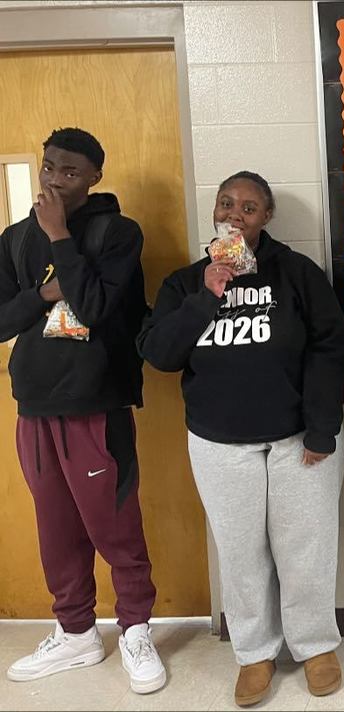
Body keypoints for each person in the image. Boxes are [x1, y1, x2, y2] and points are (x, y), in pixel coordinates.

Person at [137, 171, 344, 706]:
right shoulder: (185, 283)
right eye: (227, 204)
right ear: (215, 212)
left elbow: (330, 346)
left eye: (250, 207)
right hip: (218, 442)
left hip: (299, 439)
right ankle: (254, 653)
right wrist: (207, 296)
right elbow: (160, 354)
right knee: (240, 552)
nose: (236, 214)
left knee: (308, 547)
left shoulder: (298, 274)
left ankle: (315, 646)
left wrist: (322, 427)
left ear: (266, 218)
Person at [0, 128, 165, 694]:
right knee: (56, 529)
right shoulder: (16, 238)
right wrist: (41, 295)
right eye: (48, 167)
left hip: (98, 404)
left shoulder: (118, 232)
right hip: (36, 405)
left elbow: (92, 307)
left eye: (69, 171)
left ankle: (137, 629)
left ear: (95, 175)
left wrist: (59, 237)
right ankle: (75, 634)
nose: (53, 179)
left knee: (114, 526)